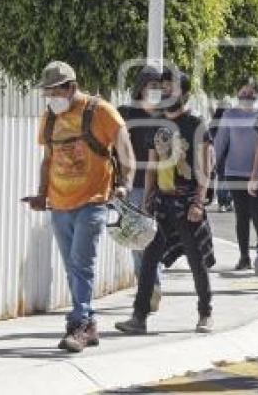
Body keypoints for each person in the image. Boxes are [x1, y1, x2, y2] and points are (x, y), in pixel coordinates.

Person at [23, 61, 135, 353]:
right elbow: (48, 160)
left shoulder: (101, 112)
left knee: (81, 264)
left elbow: (126, 151)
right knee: (72, 268)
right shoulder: (50, 117)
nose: (51, 98)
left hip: (93, 201)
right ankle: (90, 324)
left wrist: (124, 185)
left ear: (71, 87)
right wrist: (41, 195)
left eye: (55, 91)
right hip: (59, 203)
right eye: (47, 93)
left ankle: (79, 324)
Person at [116, 69, 215, 335]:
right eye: (163, 86)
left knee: (196, 260)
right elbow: (151, 166)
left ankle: (205, 313)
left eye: (171, 86)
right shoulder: (157, 124)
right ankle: (139, 317)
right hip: (161, 203)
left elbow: (205, 167)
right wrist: (147, 201)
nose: (166, 91)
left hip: (187, 204)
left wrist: (198, 203)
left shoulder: (195, 125)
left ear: (185, 93)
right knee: (149, 260)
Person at [117, 66, 164, 312]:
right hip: (134, 187)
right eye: (152, 85)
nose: (156, 90)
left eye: (159, 86)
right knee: (137, 240)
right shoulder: (127, 114)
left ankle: (151, 286)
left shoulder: (166, 116)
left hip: (162, 187)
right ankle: (147, 287)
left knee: (156, 241)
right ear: (141, 87)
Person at [215, 78, 258, 270]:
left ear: (256, 94)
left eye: (250, 92)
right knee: (242, 216)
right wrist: (210, 166)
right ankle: (244, 256)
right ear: (237, 93)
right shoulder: (229, 115)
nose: (246, 96)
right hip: (234, 172)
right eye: (243, 92)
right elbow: (220, 143)